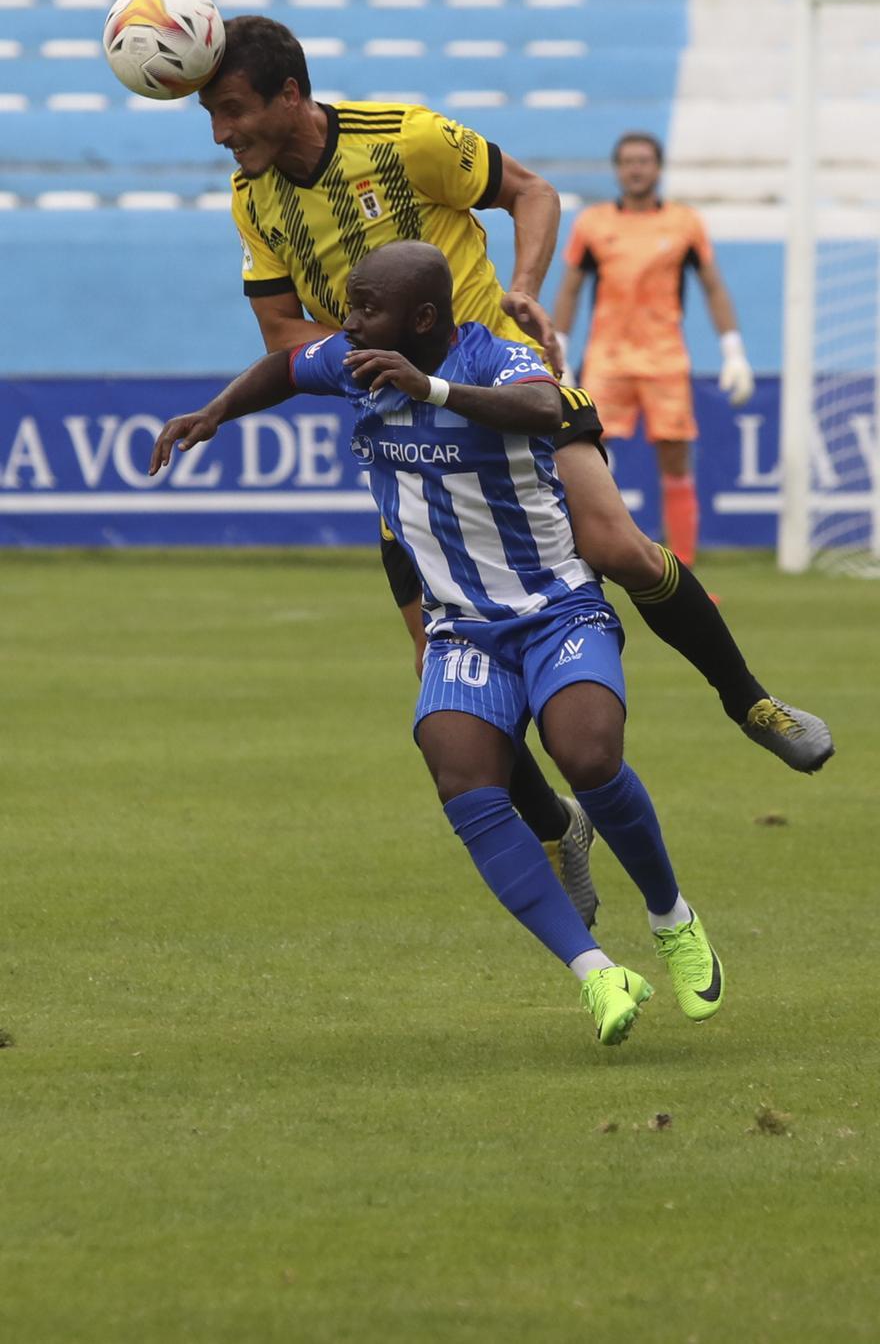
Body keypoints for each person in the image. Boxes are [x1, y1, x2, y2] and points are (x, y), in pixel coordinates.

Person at [196, 15, 833, 884]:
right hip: (413, 441)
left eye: (232, 111)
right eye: (211, 116)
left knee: (613, 544)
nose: (222, 134)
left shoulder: (407, 139)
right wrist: (375, 367)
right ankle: (552, 825)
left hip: (507, 386)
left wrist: (524, 290)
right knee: (442, 668)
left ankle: (750, 700)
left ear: (292, 95)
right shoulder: (253, 201)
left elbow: (531, 191)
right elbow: (280, 329)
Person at [150, 241, 726, 1047]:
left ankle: (671, 917)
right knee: (459, 771)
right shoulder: (355, 359)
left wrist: (435, 389)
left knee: (588, 756)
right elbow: (282, 368)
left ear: (424, 318)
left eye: (365, 308)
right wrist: (216, 411)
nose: (349, 323)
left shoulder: (500, 356)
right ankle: (597, 973)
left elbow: (546, 410)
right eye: (349, 307)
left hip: (555, 606)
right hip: (463, 626)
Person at [552, 131, 755, 569]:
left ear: (658, 168)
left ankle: (682, 570)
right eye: (628, 161)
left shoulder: (684, 223)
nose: (636, 168)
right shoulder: (593, 223)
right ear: (618, 169)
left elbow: (713, 285)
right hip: (608, 357)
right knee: (584, 456)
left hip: (665, 357)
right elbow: (570, 288)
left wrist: (733, 350)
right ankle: (580, 564)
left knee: (676, 458)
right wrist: (560, 352)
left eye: (644, 161)